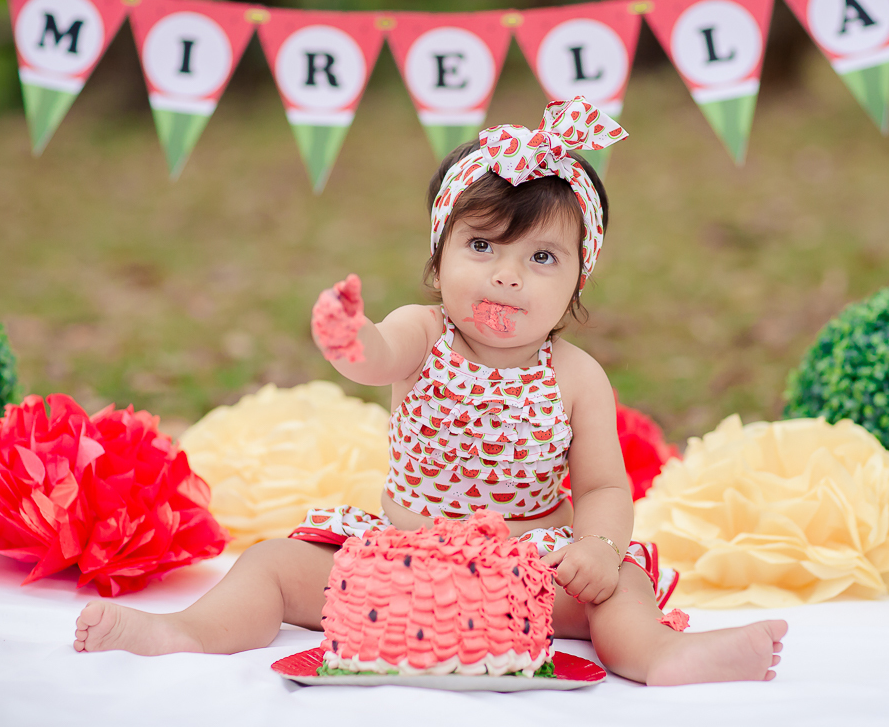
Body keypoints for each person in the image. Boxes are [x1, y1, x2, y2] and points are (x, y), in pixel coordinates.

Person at [74, 98, 787, 685]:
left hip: (528, 571)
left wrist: (598, 549)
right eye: (481, 246)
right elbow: (377, 357)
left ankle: (662, 656)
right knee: (268, 565)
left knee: (623, 589)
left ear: (578, 279)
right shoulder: (424, 332)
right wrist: (350, 338)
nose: (506, 275)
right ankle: (187, 632)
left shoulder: (576, 376)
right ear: (438, 259)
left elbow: (602, 485)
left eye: (541, 257)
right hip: (399, 563)